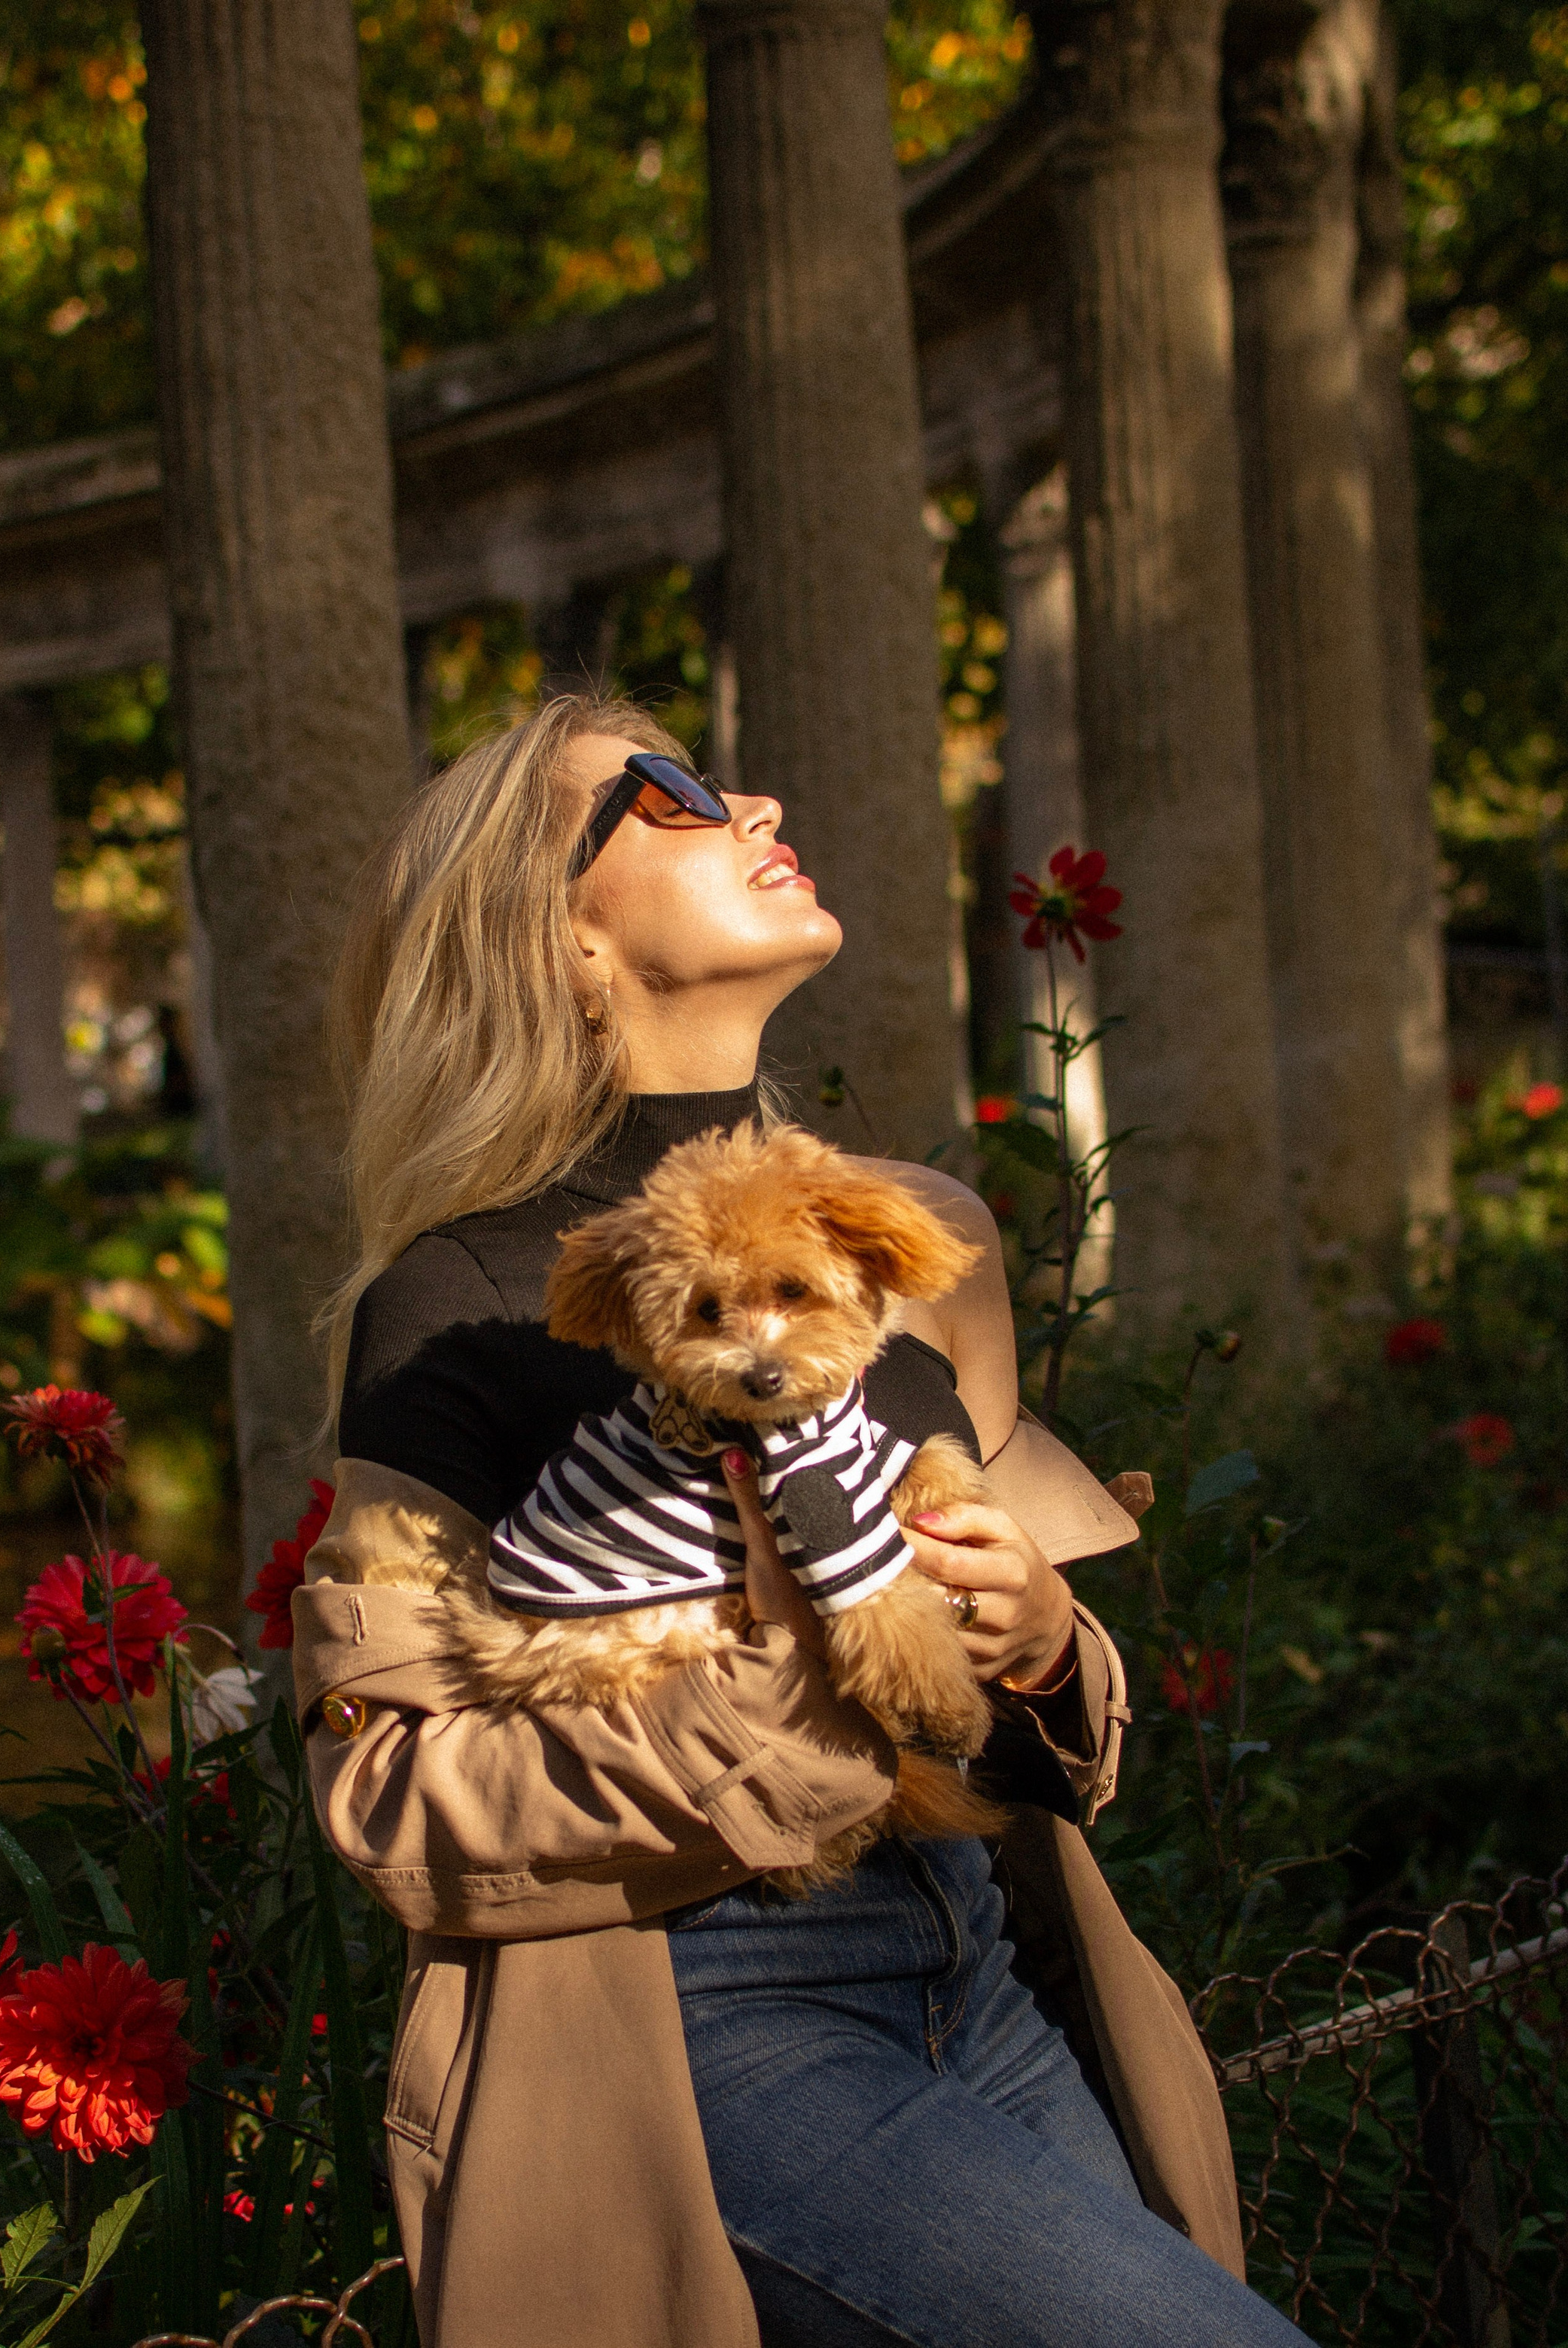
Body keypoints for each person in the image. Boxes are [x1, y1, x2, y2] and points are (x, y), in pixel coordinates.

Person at [291, 696, 1304, 2348]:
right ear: (562, 943)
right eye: (670, 791)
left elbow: (1016, 1702)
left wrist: (1043, 1643)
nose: (751, 796)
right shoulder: (465, 1305)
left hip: (984, 1961)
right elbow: (397, 1800)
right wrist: (792, 1693)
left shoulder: (911, 1240)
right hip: (708, 2028)